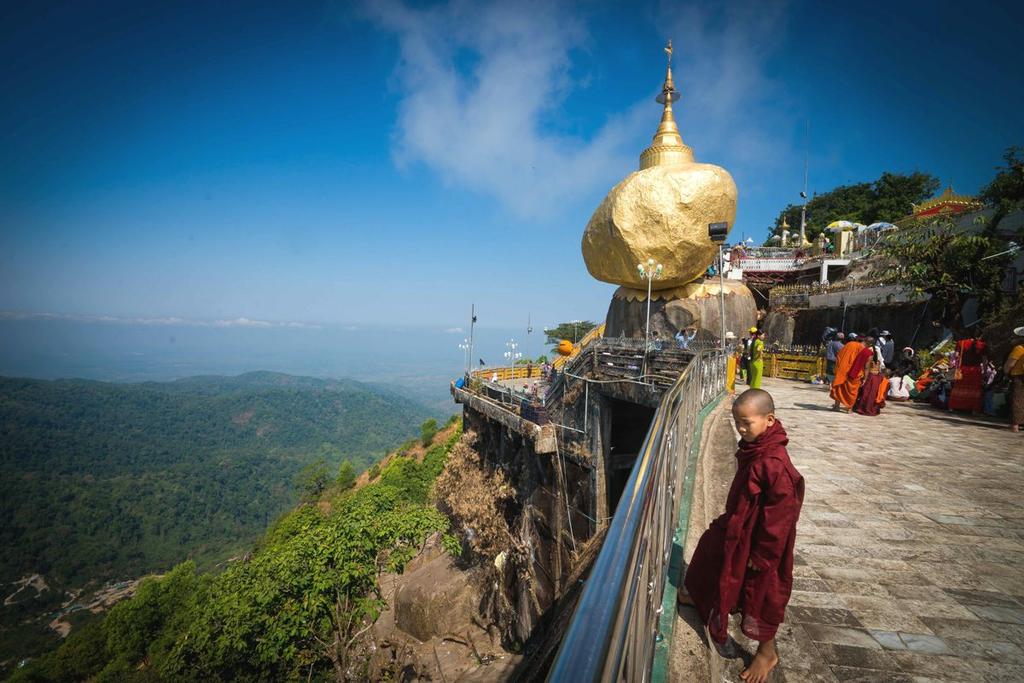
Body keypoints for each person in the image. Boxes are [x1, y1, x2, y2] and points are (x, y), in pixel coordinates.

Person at [682, 389, 804, 683]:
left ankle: (766, 652)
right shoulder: (756, 446)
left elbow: (781, 516)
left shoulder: (775, 463)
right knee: (709, 550)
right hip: (738, 525)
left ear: (769, 420)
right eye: (737, 422)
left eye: (747, 423)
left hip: (761, 541)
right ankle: (699, 595)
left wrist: (762, 555)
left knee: (761, 594)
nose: (741, 429)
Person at [830, 335, 872, 411]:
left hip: (843, 370)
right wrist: (865, 379)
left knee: (840, 387)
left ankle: (836, 406)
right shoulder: (867, 352)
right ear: (870, 344)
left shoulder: (850, 344)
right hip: (855, 373)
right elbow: (866, 367)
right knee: (852, 391)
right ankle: (849, 408)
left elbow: (840, 355)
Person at [948, 334, 987, 413]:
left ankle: (953, 406)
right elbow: (984, 360)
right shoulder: (983, 345)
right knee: (974, 390)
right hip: (975, 370)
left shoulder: (961, 343)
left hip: (963, 369)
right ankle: (973, 409)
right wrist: (985, 371)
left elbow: (956, 356)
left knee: (958, 388)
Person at [1005, 326, 1024, 432]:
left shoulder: (1019, 348)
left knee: (1017, 399)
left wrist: (1006, 372)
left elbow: (1010, 363)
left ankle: (1015, 425)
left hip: (1019, 375)